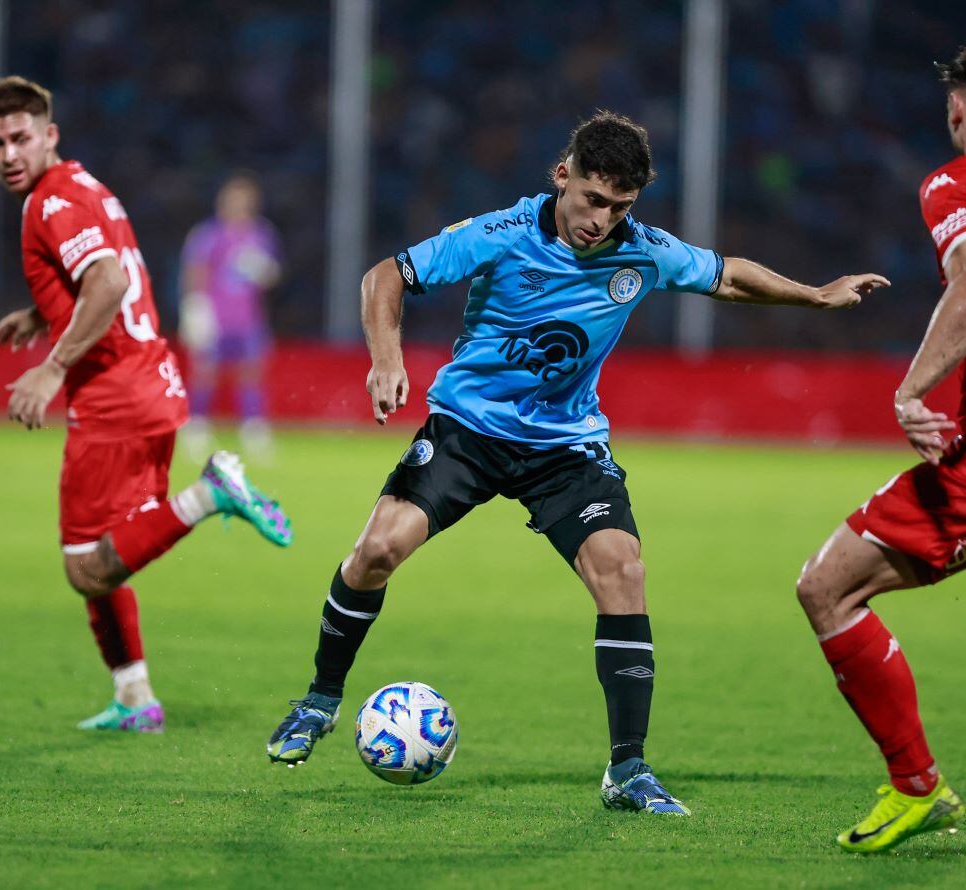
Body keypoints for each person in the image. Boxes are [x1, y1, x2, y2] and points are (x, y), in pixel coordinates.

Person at [265, 110, 887, 813]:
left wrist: (815, 294)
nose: (602, 219)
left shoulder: (642, 250)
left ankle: (627, 770)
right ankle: (319, 702)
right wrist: (386, 361)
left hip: (565, 447)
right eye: (593, 199)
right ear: (563, 177)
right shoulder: (498, 235)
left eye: (621, 206)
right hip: (469, 430)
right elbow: (386, 276)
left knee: (622, 569)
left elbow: (727, 277)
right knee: (376, 550)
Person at [795, 35, 966, 853]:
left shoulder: (956, 182)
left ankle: (916, 785)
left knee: (827, 590)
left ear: (959, 104)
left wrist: (911, 389)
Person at [0, 76, 292, 732]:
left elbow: (109, 279)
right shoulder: (85, 187)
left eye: (19, 138)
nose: (7, 154)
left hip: (114, 398)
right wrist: (46, 315)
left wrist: (51, 368)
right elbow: (106, 273)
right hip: (151, 385)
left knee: (83, 566)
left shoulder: (51, 202)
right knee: (106, 552)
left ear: (49, 135)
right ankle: (134, 698)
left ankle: (211, 493)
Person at [178, 171, 282, 460]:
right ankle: (196, 426)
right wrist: (194, 306)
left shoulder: (261, 234)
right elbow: (195, 270)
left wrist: (265, 271)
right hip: (215, 315)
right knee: (205, 373)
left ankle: (253, 428)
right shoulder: (208, 234)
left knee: (251, 373)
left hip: (248, 317)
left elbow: (270, 276)